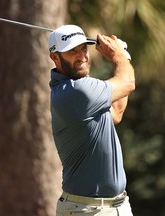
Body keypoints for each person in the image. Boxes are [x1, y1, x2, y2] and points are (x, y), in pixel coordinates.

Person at [48, 25, 135, 216]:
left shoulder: (83, 93)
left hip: (117, 206)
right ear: (55, 58)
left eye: (83, 48)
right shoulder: (75, 92)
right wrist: (119, 56)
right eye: (72, 51)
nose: (82, 56)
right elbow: (127, 83)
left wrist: (123, 57)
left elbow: (117, 113)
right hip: (87, 210)